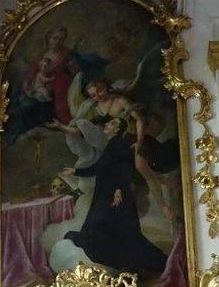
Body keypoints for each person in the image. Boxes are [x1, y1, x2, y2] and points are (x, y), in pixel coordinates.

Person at [63, 116, 167, 273]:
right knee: (108, 230)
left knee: (121, 233)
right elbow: (97, 168)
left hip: (115, 195)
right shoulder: (111, 145)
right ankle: (129, 263)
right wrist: (75, 171)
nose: (107, 124)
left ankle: (148, 263)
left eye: (112, 123)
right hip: (106, 193)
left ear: (117, 129)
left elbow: (126, 169)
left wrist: (119, 189)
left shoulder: (119, 144)